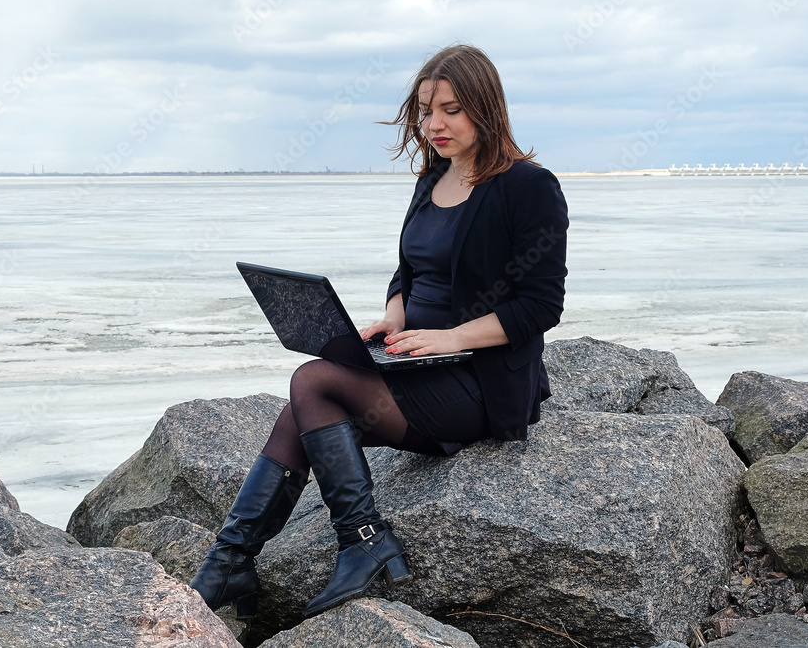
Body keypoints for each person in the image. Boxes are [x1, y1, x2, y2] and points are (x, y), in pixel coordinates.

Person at [189, 44, 568, 620]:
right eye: (425, 111)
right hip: (415, 361)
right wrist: (394, 315)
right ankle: (232, 561)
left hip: (479, 382)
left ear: (486, 109)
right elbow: (410, 269)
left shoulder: (528, 187)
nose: (433, 125)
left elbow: (541, 305)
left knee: (312, 384)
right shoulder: (434, 177)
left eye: (451, 110)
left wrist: (450, 338)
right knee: (304, 406)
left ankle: (358, 542)